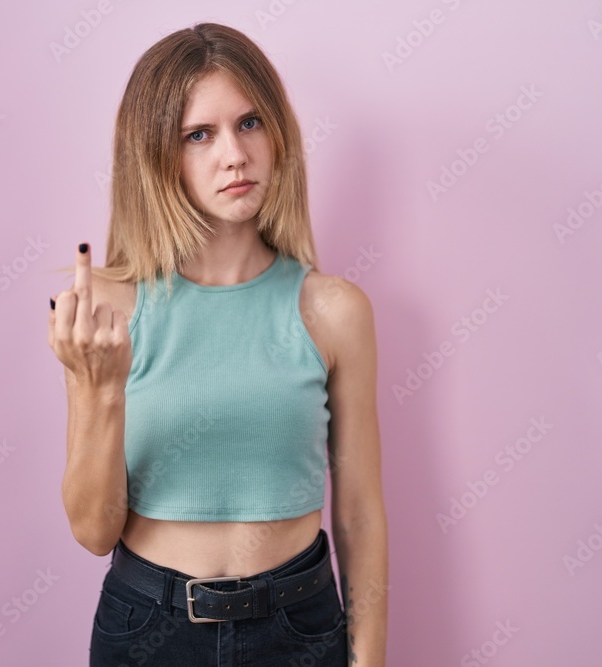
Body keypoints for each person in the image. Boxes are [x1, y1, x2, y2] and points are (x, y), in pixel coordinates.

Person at [48, 22, 387, 666]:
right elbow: (94, 533)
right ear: (155, 155)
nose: (234, 153)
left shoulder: (335, 312)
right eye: (198, 134)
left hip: (301, 625)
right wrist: (102, 387)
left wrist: (369, 662)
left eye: (250, 122)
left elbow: (361, 516)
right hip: (148, 628)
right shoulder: (105, 311)